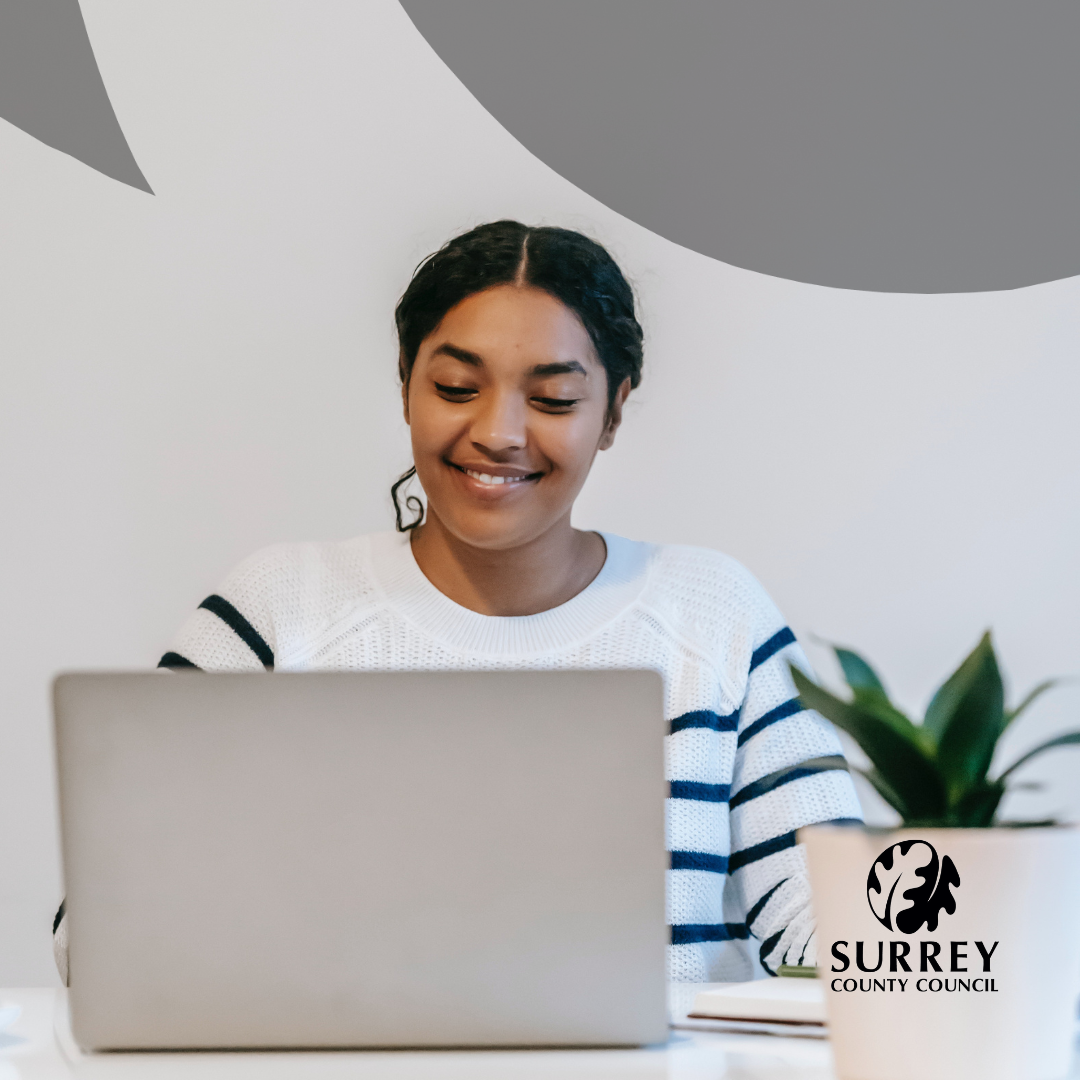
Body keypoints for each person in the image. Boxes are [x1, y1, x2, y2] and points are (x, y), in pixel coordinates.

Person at [54, 220, 860, 985]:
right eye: (455, 386)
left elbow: (833, 926)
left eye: (552, 400)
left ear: (613, 412)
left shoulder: (713, 612)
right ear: (406, 384)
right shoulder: (276, 609)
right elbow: (99, 928)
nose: (499, 432)